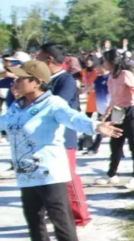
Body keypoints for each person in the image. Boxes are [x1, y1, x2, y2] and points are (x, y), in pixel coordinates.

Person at [2, 60, 122, 241]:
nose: (15, 82)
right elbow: (4, 123)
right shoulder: (17, 105)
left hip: (50, 172)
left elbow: (73, 118)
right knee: (33, 217)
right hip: (27, 173)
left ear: (37, 82)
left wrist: (96, 127)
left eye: (20, 79)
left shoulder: (52, 104)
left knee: (61, 219)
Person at [36, 43, 93, 230]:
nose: (36, 61)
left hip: (64, 136)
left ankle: (80, 217)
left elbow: (59, 105)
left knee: (68, 177)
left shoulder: (65, 80)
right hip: (46, 137)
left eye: (39, 57)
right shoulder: (45, 80)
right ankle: (56, 212)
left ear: (49, 59)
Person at [94, 49, 134, 190]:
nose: (103, 64)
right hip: (117, 113)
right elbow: (113, 99)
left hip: (130, 112)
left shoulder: (126, 74)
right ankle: (111, 174)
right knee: (115, 145)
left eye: (104, 61)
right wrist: (105, 114)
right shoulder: (110, 77)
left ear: (111, 62)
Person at [81, 64, 110, 155]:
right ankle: (94, 147)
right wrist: (78, 92)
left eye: (99, 67)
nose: (96, 69)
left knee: (104, 128)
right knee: (102, 127)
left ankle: (95, 147)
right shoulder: (98, 79)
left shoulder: (111, 78)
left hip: (110, 108)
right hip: (100, 109)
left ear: (104, 67)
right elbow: (88, 89)